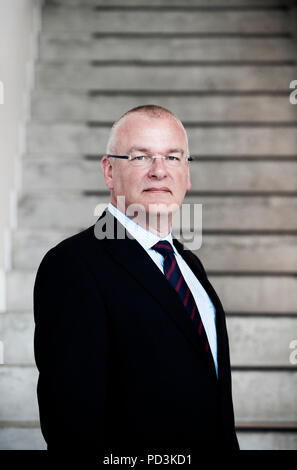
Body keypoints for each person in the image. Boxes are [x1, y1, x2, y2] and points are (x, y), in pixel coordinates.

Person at [33, 105, 239, 458]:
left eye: (173, 157)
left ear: (187, 174)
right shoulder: (72, 265)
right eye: (141, 157)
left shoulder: (189, 266)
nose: (160, 172)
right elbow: (71, 427)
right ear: (109, 171)